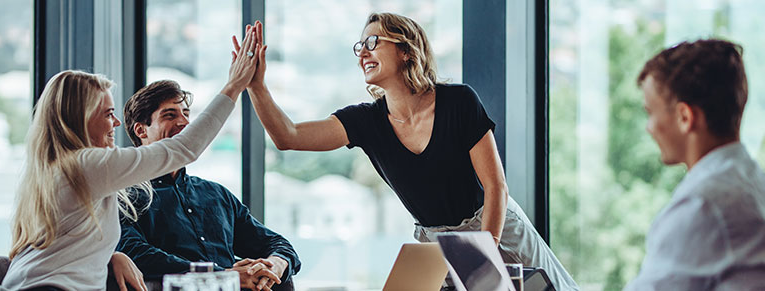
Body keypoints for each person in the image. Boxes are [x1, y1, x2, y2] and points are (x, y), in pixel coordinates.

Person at [240, 13, 579, 290]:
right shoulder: (365, 121)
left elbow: (496, 188)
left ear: (406, 50)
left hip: (496, 227)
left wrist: (480, 258)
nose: (362, 53)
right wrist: (256, 86)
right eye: (360, 46)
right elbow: (289, 136)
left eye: (373, 42)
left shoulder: (459, 101)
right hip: (436, 244)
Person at [1, 26, 261, 291]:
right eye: (107, 113)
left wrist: (112, 256)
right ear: (80, 118)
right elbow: (184, 149)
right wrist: (233, 86)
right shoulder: (86, 165)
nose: (115, 123)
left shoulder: (56, 168)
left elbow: (64, 245)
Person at [116, 79, 300, 291]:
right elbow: (135, 253)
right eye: (170, 115)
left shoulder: (216, 194)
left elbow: (277, 244)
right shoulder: (124, 196)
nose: (185, 122)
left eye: (186, 113)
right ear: (141, 131)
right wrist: (220, 276)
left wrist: (275, 264)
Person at [624, 39, 765, 290]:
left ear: (685, 117)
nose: (649, 128)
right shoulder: (751, 179)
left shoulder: (705, 204)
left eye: (650, 113)